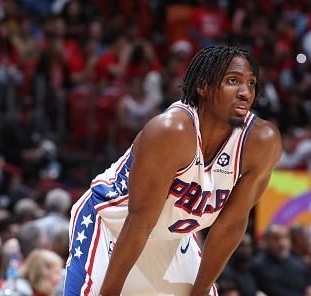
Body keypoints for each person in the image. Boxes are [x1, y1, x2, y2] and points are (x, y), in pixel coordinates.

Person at [64, 45, 282, 296]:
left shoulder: (262, 142)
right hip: (112, 226)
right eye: (233, 81)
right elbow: (139, 223)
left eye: (251, 84)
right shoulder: (171, 131)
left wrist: (199, 293)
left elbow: (230, 226)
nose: (245, 93)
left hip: (172, 239)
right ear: (203, 86)